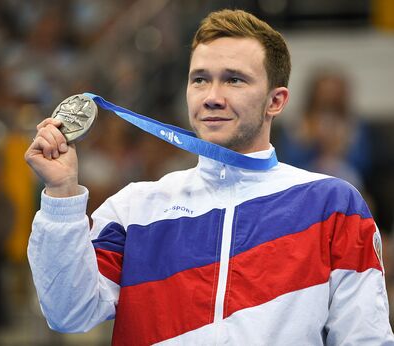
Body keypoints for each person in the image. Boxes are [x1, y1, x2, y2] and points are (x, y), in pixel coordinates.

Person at [25, 9, 394, 345]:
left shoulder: (331, 206)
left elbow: (365, 338)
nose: (212, 97)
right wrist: (61, 194)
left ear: (276, 101)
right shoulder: (135, 209)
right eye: (200, 80)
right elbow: (68, 312)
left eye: (234, 80)